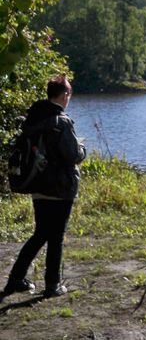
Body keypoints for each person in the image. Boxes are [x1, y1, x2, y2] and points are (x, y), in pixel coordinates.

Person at [3, 75, 85, 298]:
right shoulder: (61, 121)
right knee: (56, 237)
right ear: (65, 95)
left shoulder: (34, 118)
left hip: (37, 185)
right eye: (69, 94)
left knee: (40, 233)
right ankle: (53, 285)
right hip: (60, 187)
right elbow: (73, 155)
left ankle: (16, 279)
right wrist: (82, 150)